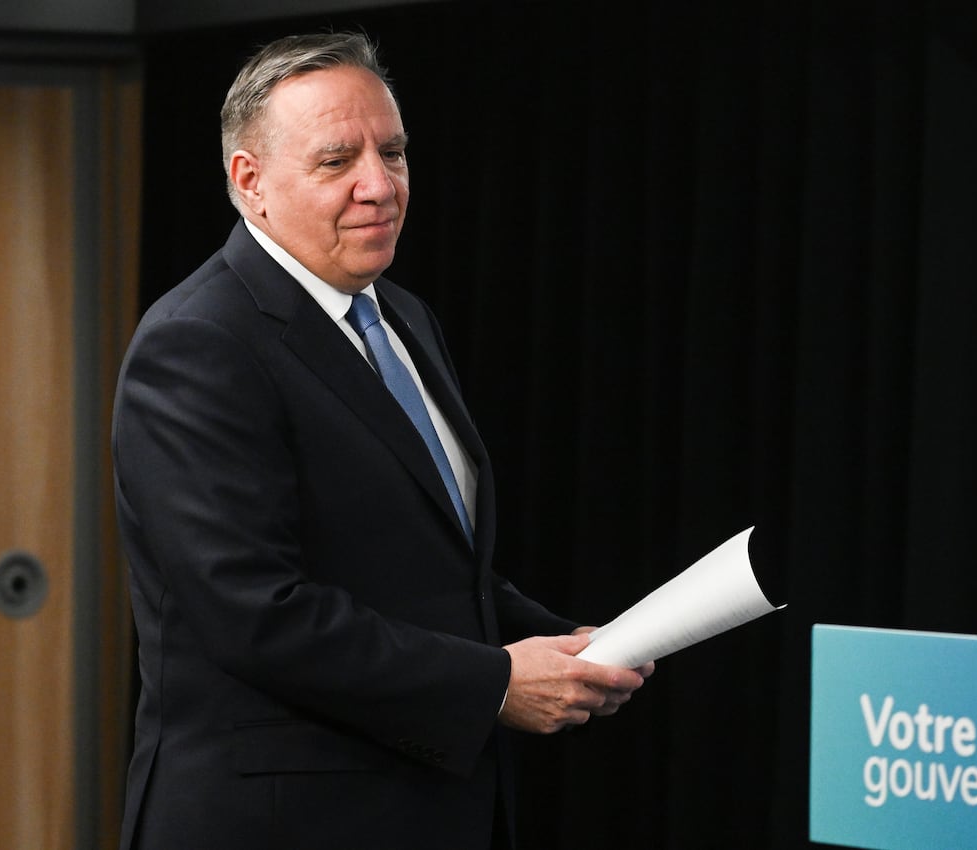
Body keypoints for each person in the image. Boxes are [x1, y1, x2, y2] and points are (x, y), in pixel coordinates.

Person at [112, 30, 650, 850]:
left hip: (431, 806)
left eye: (393, 152)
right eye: (337, 161)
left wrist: (570, 646)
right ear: (248, 182)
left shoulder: (402, 315)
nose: (380, 185)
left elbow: (423, 567)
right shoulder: (198, 343)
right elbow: (258, 615)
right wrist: (497, 682)